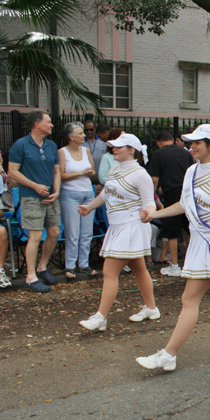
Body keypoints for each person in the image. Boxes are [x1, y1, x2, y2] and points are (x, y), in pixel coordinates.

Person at [136, 124, 210, 371]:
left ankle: (168, 354)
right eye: (190, 142)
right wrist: (156, 214)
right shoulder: (191, 171)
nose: (192, 146)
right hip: (198, 242)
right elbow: (184, 204)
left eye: (197, 143)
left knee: (189, 299)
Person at [76, 134, 160, 331]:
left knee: (109, 271)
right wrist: (89, 207)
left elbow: (150, 201)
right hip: (117, 226)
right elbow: (106, 194)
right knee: (139, 269)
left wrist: (149, 212)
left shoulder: (141, 174)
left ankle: (100, 317)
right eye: (113, 146)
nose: (114, 149)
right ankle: (151, 308)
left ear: (132, 150)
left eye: (119, 147)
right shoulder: (113, 170)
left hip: (132, 226)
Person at [7, 110, 60, 292]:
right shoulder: (20, 145)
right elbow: (13, 171)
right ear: (37, 124)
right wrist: (34, 186)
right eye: (49, 121)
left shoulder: (52, 146)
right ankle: (30, 277)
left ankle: (42, 267)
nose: (52, 125)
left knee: (53, 232)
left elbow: (57, 171)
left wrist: (57, 191)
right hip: (31, 197)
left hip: (51, 197)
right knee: (35, 235)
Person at [147, 131, 195, 277]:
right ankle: (191, 261)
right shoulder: (185, 153)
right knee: (190, 228)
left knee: (172, 231)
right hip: (187, 192)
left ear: (158, 143)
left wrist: (152, 198)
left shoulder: (158, 154)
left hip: (172, 194)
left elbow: (154, 179)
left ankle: (174, 265)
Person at [57, 122, 98, 279]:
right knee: (73, 232)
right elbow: (61, 174)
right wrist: (80, 173)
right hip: (70, 194)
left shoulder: (86, 150)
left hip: (88, 192)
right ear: (71, 137)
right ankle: (70, 265)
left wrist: (89, 172)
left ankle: (84, 264)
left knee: (87, 232)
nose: (84, 135)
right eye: (80, 133)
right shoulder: (62, 152)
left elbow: (93, 170)